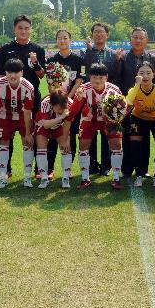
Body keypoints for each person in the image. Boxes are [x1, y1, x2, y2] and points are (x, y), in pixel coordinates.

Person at [0, 15, 46, 178]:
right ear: (14, 29)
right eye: (20, 28)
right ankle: (6, 169)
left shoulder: (37, 49)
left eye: (26, 28)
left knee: (34, 131)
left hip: (32, 97)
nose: (23, 31)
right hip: (9, 99)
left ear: (30, 29)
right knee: (7, 133)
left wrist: (36, 62)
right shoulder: (6, 48)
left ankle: (38, 169)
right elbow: (0, 75)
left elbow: (41, 75)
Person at [70, 63, 126, 190]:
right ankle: (85, 179)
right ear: (90, 77)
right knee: (83, 145)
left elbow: (124, 109)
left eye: (101, 77)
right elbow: (74, 110)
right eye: (95, 77)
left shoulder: (114, 90)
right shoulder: (84, 89)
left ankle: (116, 178)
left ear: (106, 77)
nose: (98, 80)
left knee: (116, 144)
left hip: (109, 121)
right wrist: (78, 99)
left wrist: (115, 118)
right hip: (90, 120)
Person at [117, 26, 155, 183]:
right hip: (128, 104)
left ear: (146, 40)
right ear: (130, 40)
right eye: (135, 37)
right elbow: (118, 80)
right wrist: (122, 102)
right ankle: (127, 169)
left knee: (144, 140)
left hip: (146, 105)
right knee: (128, 137)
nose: (138, 40)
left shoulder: (153, 59)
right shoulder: (123, 58)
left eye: (141, 37)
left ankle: (143, 169)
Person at [0, 58, 36, 188]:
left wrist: (27, 133)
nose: (13, 75)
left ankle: (27, 177)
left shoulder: (28, 87)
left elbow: (27, 112)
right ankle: (3, 177)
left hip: (22, 116)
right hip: (5, 116)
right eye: (10, 72)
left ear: (21, 72)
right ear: (5, 72)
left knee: (27, 143)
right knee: (3, 144)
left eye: (16, 72)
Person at [83, 22, 122, 176]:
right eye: (96, 32)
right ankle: (92, 165)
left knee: (108, 132)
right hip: (90, 97)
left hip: (108, 97)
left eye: (102, 32)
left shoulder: (113, 54)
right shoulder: (85, 52)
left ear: (107, 35)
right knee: (89, 133)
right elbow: (85, 71)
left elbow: (116, 75)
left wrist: (118, 61)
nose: (99, 34)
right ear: (92, 35)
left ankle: (106, 166)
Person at [45, 29, 84, 179]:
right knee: (54, 135)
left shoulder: (78, 60)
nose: (62, 41)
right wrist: (58, 98)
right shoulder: (51, 61)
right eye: (59, 38)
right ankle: (49, 169)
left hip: (71, 102)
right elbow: (49, 85)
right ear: (56, 41)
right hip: (55, 102)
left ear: (70, 40)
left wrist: (68, 98)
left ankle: (68, 168)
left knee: (71, 135)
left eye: (65, 38)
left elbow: (79, 82)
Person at [124, 62, 155, 188]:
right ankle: (139, 175)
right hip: (138, 118)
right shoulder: (134, 90)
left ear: (154, 74)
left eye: (148, 73)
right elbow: (128, 101)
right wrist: (137, 85)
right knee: (135, 144)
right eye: (141, 73)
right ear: (136, 75)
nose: (145, 76)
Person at [35, 88, 76, 189]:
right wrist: (61, 117)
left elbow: (67, 123)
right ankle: (44, 178)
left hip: (60, 126)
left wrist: (66, 140)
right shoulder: (45, 103)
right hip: (44, 123)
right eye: (58, 108)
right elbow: (46, 125)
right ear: (52, 105)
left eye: (63, 108)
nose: (61, 110)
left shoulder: (70, 103)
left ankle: (65, 179)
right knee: (41, 148)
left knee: (66, 148)